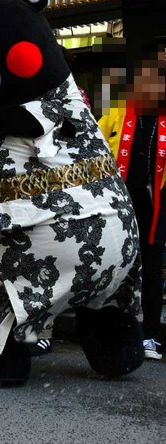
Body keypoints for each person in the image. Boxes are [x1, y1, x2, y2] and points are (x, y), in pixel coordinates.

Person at [99, 52, 166, 361]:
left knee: (151, 271)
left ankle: (151, 335)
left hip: (157, 209)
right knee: (117, 267)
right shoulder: (117, 113)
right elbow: (95, 144)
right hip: (119, 205)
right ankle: (114, 335)